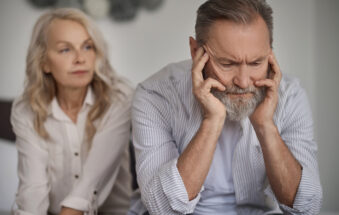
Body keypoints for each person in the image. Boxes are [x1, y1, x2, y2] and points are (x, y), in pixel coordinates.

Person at [128, 0, 322, 214]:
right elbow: (162, 209)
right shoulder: (155, 95)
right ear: (195, 52)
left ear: (270, 53)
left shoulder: (290, 95)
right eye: (228, 64)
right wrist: (211, 122)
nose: (244, 81)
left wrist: (266, 126)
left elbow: (306, 208)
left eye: (257, 63)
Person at [11, 8, 132, 215]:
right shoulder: (26, 110)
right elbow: (33, 188)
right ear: (44, 62)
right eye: (65, 49)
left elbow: (91, 181)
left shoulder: (119, 99)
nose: (80, 58)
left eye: (87, 47)